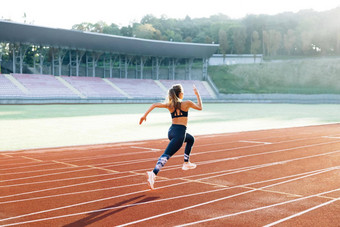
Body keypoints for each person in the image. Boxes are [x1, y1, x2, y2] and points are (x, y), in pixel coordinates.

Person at [139, 84, 203, 189]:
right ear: (180, 93)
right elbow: (200, 107)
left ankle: (186, 163)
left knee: (190, 139)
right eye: (183, 92)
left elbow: (155, 105)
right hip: (179, 134)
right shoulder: (187, 103)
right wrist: (197, 94)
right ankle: (153, 173)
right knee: (166, 155)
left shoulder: (170, 105)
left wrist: (144, 115)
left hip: (172, 132)